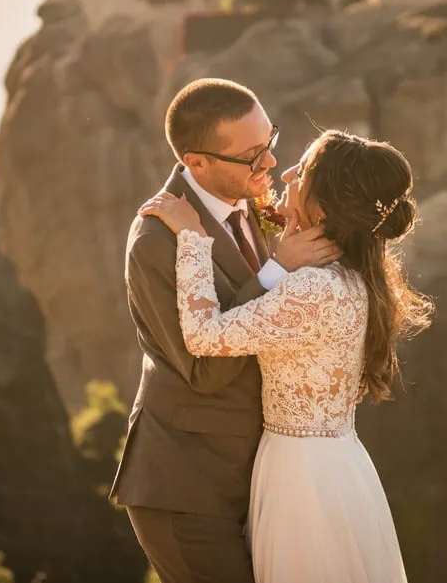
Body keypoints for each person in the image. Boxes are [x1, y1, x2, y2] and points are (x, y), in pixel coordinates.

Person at [139, 127, 433, 583]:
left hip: (301, 479)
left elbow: (202, 335)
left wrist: (194, 237)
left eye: (305, 169)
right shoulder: (358, 278)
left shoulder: (313, 288)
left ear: (326, 203)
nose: (288, 171)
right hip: (338, 467)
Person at [111, 78, 341, 583]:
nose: (271, 166)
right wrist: (277, 271)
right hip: (188, 490)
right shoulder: (156, 240)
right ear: (197, 163)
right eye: (252, 156)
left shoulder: (253, 205)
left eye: (270, 144)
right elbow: (205, 370)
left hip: (260, 484)